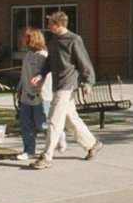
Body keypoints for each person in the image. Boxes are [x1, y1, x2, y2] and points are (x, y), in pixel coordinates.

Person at [28, 11, 101, 169]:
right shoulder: (54, 40)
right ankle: (92, 144)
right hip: (57, 85)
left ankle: (46, 156)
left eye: (50, 23)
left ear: (59, 24)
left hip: (67, 86)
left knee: (54, 120)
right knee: (70, 119)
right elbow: (49, 62)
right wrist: (41, 74)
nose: (48, 26)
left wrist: (88, 82)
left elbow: (84, 62)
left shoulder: (74, 40)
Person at [14, 28, 53, 161]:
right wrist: (20, 89)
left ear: (33, 38)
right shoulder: (27, 55)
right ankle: (29, 150)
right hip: (26, 96)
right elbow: (23, 75)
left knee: (42, 124)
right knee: (25, 124)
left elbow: (44, 76)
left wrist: (36, 92)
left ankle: (56, 139)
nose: (22, 39)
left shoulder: (43, 56)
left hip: (40, 97)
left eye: (25, 37)